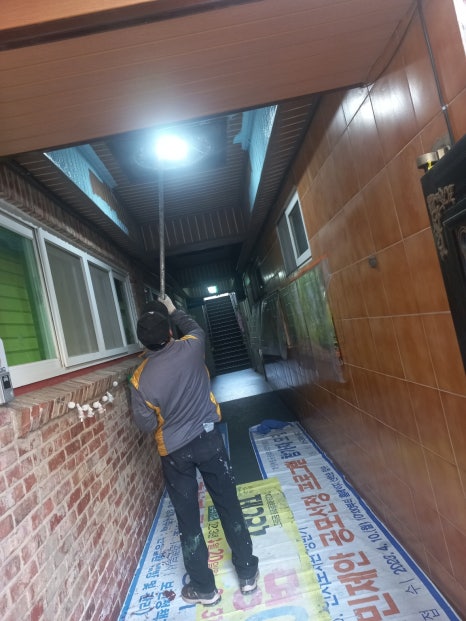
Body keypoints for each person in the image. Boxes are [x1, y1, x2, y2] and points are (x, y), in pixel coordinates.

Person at [129, 295, 259, 607]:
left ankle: (204, 588)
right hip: (209, 439)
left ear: (143, 344)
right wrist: (173, 309)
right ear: (169, 332)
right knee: (228, 504)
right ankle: (247, 573)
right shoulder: (192, 346)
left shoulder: (139, 379)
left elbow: (146, 425)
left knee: (188, 519)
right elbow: (194, 326)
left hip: (175, 453)